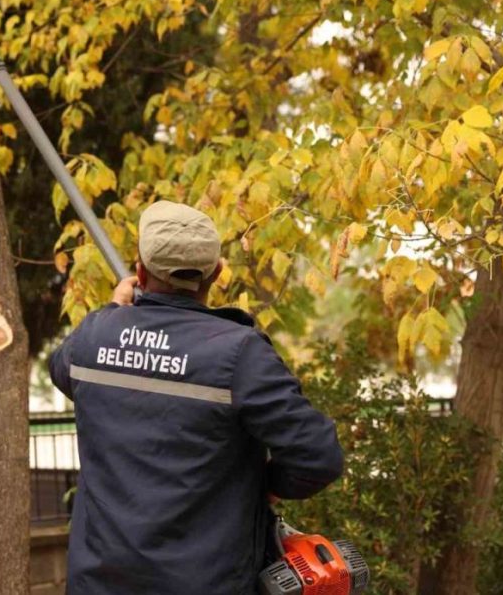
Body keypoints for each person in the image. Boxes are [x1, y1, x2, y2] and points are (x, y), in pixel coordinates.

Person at [49, 201, 344, 595]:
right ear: (216, 273)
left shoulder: (94, 336)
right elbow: (318, 457)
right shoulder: (238, 353)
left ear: (139, 271)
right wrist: (265, 484)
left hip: (99, 584)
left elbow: (62, 371)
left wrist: (114, 309)